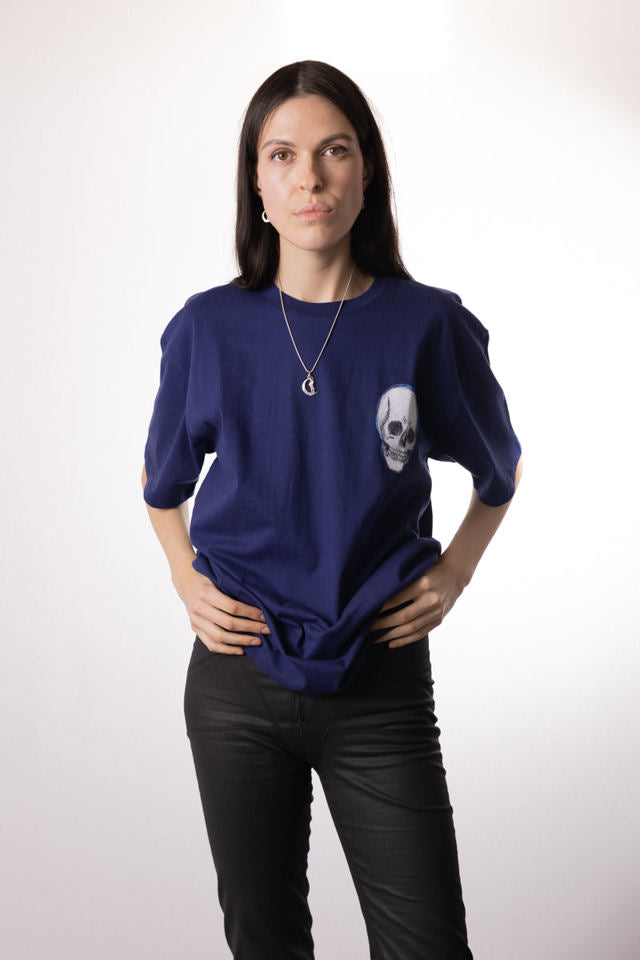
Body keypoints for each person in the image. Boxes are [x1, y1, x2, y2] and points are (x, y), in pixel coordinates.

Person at [141, 59, 522, 960]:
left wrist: (456, 571)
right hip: (236, 683)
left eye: (334, 151)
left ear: (367, 170)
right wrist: (185, 578)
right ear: (256, 181)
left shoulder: (428, 324)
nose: (309, 177)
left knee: (426, 944)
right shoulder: (207, 327)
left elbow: (498, 468)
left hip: (379, 681)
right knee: (265, 941)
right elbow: (163, 487)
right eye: (282, 155)